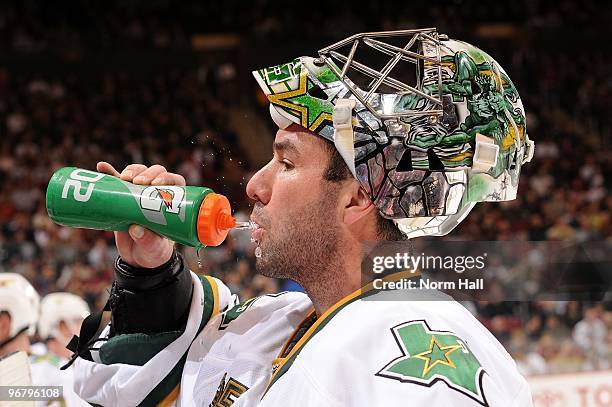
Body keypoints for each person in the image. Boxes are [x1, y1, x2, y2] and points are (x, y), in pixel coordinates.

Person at [72, 29, 535, 406]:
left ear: (357, 198)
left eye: (287, 164)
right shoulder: (290, 320)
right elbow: (137, 387)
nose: (254, 186)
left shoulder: (406, 374)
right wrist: (151, 272)